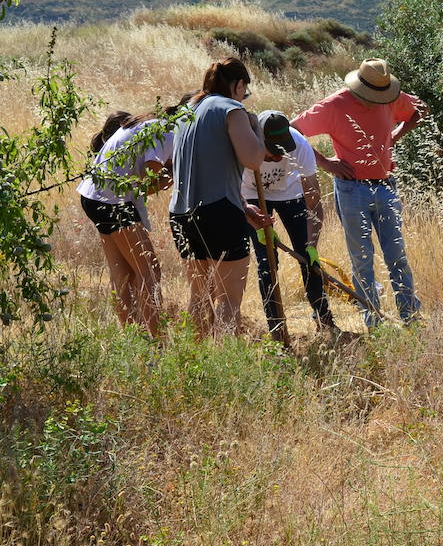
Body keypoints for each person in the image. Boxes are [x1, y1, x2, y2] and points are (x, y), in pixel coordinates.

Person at [292, 59, 425, 328]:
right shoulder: (334, 105)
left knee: (396, 254)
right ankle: (372, 321)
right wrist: (327, 163)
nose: (380, 100)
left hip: (386, 184)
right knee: (361, 258)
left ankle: (410, 317)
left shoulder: (390, 95)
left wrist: (394, 137)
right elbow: (291, 129)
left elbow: (420, 110)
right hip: (352, 190)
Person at [168, 59, 273, 338]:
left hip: (180, 214)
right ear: (238, 85)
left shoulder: (186, 111)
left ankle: (196, 365)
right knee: (228, 299)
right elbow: (253, 160)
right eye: (245, 91)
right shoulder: (232, 110)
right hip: (219, 214)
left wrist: (243, 205)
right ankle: (225, 366)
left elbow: (207, 168)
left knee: (199, 296)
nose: (244, 97)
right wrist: (255, 128)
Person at [77, 103, 180, 336]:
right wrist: (172, 176)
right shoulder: (170, 130)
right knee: (150, 272)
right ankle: (157, 343)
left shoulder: (147, 123)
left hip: (94, 196)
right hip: (113, 201)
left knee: (122, 273)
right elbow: (149, 176)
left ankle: (133, 340)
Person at [241, 110, 336, 336]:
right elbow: (231, 189)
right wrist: (252, 219)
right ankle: (276, 326)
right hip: (251, 198)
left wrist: (312, 244)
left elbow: (314, 203)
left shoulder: (300, 146)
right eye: (271, 153)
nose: (276, 158)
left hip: (291, 196)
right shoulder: (243, 145)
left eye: (280, 153)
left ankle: (324, 320)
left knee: (308, 258)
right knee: (267, 263)